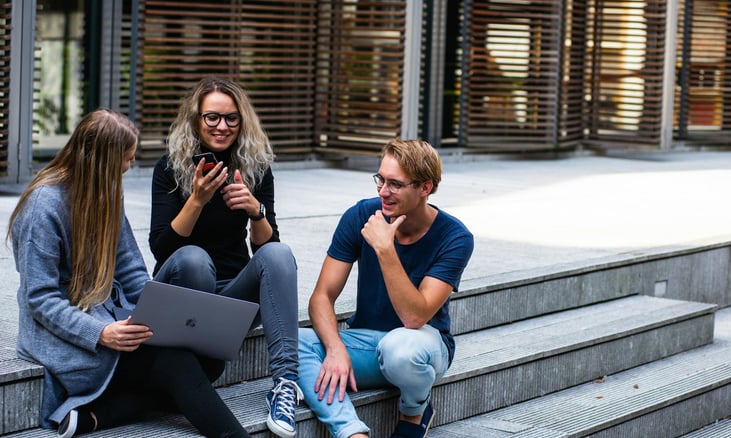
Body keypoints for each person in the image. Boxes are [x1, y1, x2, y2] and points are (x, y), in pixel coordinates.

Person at [8, 109, 250, 438]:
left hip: (112, 317)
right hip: (66, 335)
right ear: (103, 160)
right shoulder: (44, 206)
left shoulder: (107, 192)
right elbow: (41, 299)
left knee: (210, 363)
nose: (130, 165)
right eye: (127, 158)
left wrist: (157, 314)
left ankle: (98, 415)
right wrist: (100, 333)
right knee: (176, 365)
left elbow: (132, 270)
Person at [149, 76, 302, 438]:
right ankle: (190, 372)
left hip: (230, 299)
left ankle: (285, 386)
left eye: (231, 118)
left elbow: (267, 252)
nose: (222, 126)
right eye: (212, 117)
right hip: (182, 291)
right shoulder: (170, 168)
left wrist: (256, 211)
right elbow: (162, 249)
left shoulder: (255, 167)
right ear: (196, 120)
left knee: (280, 254)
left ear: (242, 121)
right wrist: (197, 199)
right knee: (194, 259)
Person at [297, 138, 474, 438]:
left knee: (400, 349)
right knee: (292, 342)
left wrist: (385, 249)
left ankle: (414, 413)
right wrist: (336, 348)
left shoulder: (455, 237)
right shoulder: (360, 215)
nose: (382, 191)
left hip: (423, 348)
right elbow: (321, 298)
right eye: (380, 179)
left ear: (425, 188)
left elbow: (414, 318)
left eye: (395, 184)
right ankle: (352, 432)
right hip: (367, 342)